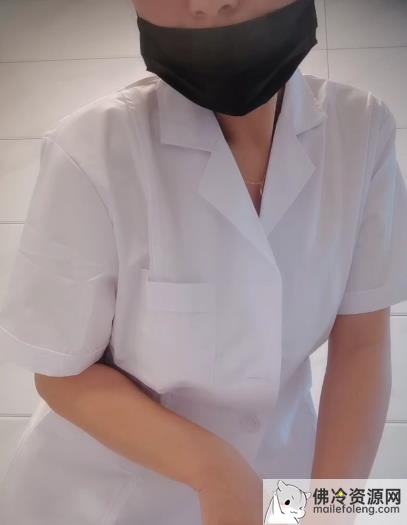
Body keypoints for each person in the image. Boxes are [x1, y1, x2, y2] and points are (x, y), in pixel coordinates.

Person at [0, 1, 407, 524]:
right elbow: (61, 375)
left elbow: (362, 343)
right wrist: (216, 471)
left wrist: (330, 510)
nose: (208, 3)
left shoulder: (362, 131)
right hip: (107, 493)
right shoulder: (90, 151)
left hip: (280, 474)